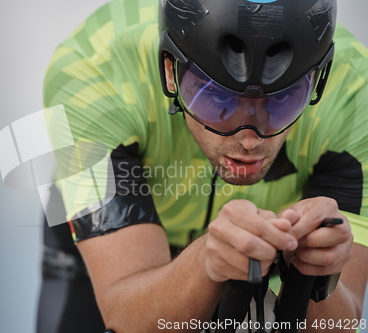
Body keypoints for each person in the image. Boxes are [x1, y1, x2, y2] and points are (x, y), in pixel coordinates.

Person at [37, 0, 368, 332]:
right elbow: (124, 313)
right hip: (115, 250)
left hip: (268, 247)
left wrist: (317, 274)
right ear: (169, 70)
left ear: (317, 80)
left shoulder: (357, 95)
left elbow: (341, 322)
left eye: (282, 100)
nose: (249, 139)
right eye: (218, 98)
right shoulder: (91, 74)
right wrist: (205, 262)